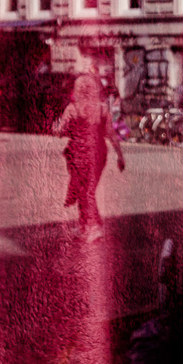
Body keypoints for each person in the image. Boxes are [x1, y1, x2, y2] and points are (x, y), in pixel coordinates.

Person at [54, 74, 126, 242]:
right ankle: (84, 225)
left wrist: (56, 128)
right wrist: (120, 156)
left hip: (79, 153)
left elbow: (60, 131)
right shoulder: (102, 109)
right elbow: (111, 134)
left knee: (85, 191)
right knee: (87, 190)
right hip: (99, 152)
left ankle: (94, 227)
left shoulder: (73, 108)